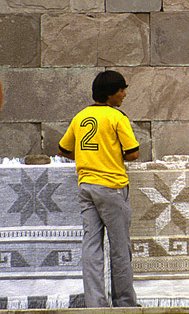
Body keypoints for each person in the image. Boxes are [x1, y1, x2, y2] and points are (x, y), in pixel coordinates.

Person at [58, 70, 140, 307]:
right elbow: (133, 152)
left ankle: (95, 304)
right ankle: (125, 303)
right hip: (112, 186)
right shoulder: (117, 117)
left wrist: (88, 157)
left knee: (91, 247)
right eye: (121, 90)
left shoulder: (81, 116)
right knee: (120, 248)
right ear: (109, 95)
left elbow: (64, 149)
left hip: (86, 186)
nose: (124, 94)